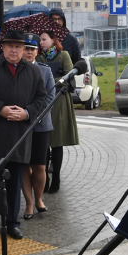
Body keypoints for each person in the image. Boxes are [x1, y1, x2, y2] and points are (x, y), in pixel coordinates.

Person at [0, 30, 47, 243]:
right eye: (10, 46)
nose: (14, 50)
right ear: (2, 47)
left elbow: (41, 99)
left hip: (19, 136)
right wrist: (1, 109)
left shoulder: (33, 72)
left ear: (24, 49)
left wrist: (27, 113)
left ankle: (12, 223)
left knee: (14, 184)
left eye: (18, 46)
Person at [38, 30, 78, 193]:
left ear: (53, 41)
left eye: (44, 39)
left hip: (60, 101)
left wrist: (51, 81)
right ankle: (44, 178)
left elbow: (69, 76)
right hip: (45, 102)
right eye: (40, 39)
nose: (41, 42)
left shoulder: (63, 55)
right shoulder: (38, 58)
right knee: (45, 142)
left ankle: (56, 177)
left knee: (57, 141)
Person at [20, 34, 54, 220]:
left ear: (37, 51)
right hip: (21, 125)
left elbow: (50, 99)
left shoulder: (45, 71)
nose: (29, 52)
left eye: (32, 49)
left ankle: (39, 199)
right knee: (25, 166)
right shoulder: (15, 71)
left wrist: (32, 114)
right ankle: (29, 203)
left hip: (41, 125)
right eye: (26, 48)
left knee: (40, 166)